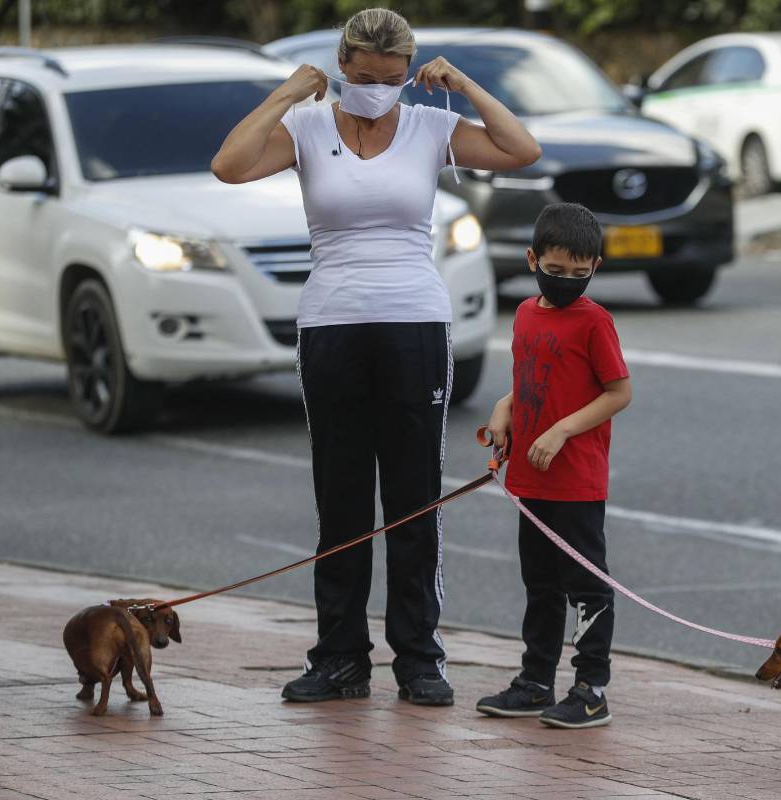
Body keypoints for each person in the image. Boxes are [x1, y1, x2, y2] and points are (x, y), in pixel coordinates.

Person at [210, 8, 540, 706]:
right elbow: (229, 165)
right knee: (341, 502)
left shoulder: (429, 126)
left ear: (408, 75)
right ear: (340, 70)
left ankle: (419, 659)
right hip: (331, 325)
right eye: (363, 79)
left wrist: (467, 86)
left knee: (413, 502)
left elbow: (521, 150)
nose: (377, 91)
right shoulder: (305, 126)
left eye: (392, 80)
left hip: (414, 322)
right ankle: (339, 658)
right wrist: (283, 94)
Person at [476, 203, 632, 729]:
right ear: (532, 259)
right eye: (556, 270)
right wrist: (504, 409)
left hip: (576, 483)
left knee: (587, 587)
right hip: (529, 478)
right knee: (539, 585)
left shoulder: (595, 321)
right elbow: (530, 380)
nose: (567, 281)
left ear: (595, 269)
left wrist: (564, 429)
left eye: (579, 273)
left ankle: (591, 690)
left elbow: (618, 392)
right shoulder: (524, 314)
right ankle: (536, 681)